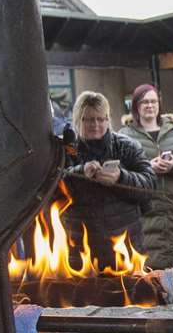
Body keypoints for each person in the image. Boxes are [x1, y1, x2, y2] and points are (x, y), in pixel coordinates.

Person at [60, 90, 156, 267]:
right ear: (77, 120)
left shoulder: (126, 146)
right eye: (88, 119)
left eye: (101, 119)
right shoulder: (66, 149)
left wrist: (121, 178)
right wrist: (80, 173)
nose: (95, 124)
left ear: (108, 119)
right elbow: (52, 189)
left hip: (127, 247)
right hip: (80, 250)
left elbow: (150, 185)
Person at [122, 84, 173, 283]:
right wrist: (148, 168)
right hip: (145, 215)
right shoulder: (125, 136)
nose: (150, 105)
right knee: (151, 281)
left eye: (153, 101)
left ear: (159, 104)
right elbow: (121, 173)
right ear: (136, 106)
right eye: (145, 102)